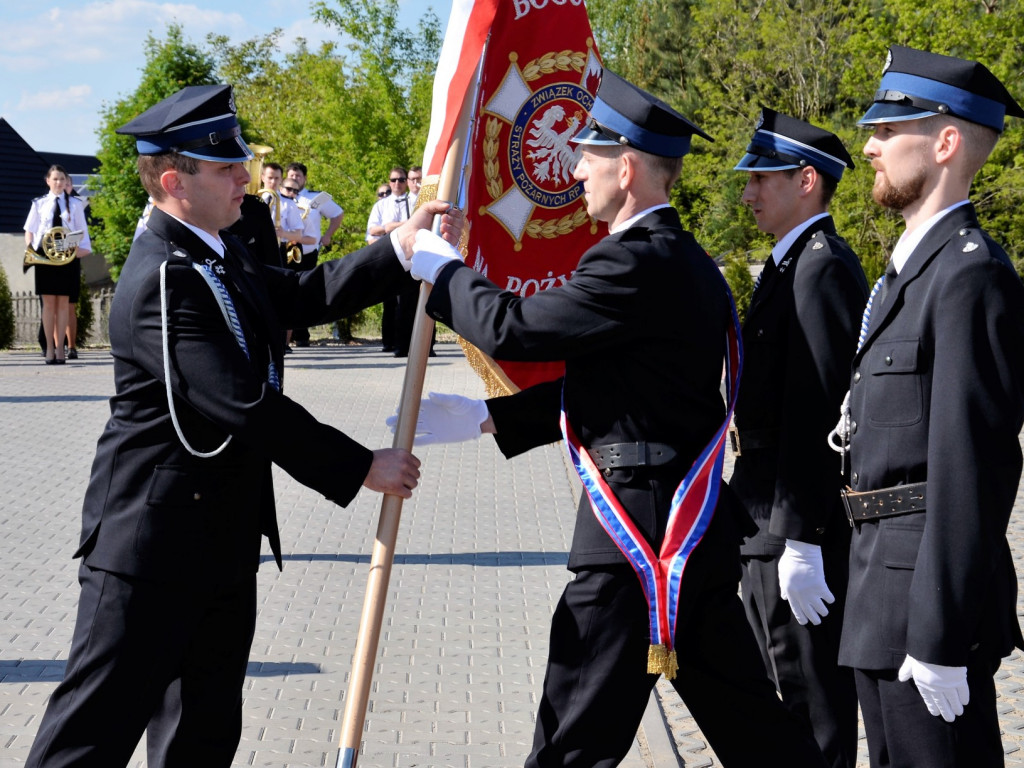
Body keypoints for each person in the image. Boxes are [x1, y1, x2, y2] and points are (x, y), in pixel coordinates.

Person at [23, 83, 462, 768]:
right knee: (87, 741)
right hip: (150, 552)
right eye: (227, 168)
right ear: (174, 180)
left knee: (200, 741)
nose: (246, 179)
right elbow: (242, 403)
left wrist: (400, 249)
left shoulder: (215, 253)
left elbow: (300, 294)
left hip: (219, 545)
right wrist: (356, 466)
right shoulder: (162, 278)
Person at [402, 70, 827, 767]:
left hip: (638, 536)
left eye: (587, 156)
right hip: (687, 528)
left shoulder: (633, 260)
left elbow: (517, 329)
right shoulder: (681, 259)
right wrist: (489, 418)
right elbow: (627, 385)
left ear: (626, 168)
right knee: (759, 734)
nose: (574, 171)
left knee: (573, 738)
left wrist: (443, 270)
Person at [836, 46, 1024, 767]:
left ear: (946, 143)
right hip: (879, 593)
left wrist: (940, 635)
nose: (870, 146)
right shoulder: (907, 275)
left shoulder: (970, 279)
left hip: (924, 608)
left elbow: (970, 468)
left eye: (888, 131)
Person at [729, 108, 867, 768]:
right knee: (781, 699)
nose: (748, 192)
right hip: (763, 514)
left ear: (806, 181)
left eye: (762, 178)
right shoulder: (790, 268)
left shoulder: (822, 268)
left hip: (789, 523)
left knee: (811, 701)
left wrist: (804, 537)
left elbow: (821, 414)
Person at [24, 164, 91, 365]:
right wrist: (31, 250)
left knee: (63, 304)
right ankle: (50, 349)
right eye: (55, 179)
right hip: (45, 256)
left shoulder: (76, 204)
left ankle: (61, 349)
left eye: (62, 179)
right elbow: (30, 230)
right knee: (48, 305)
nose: (59, 182)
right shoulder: (38, 204)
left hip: (66, 256)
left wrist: (76, 250)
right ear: (48, 181)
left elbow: (82, 233)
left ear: (66, 181)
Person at [367, 167, 429, 356]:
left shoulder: (414, 201)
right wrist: (394, 226)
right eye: (393, 180)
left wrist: (389, 227)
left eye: (401, 180)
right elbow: (372, 231)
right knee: (391, 303)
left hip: (411, 256)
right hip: (389, 253)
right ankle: (392, 343)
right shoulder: (382, 205)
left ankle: (407, 346)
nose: (397, 184)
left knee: (410, 303)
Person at [283, 161, 345, 346]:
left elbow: (338, 214)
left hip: (307, 251)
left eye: (298, 176)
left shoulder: (315, 197)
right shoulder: (279, 197)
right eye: (291, 176)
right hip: (283, 250)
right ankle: (286, 336)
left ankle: (302, 335)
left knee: (304, 290)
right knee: (285, 290)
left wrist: (327, 236)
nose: (294, 179)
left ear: (305, 179)